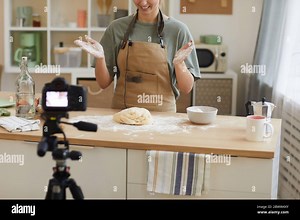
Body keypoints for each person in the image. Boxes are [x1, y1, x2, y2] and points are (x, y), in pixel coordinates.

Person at [75, 0, 200, 112]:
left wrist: (179, 64)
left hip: (163, 116)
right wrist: (100, 59)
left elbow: (186, 87)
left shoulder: (178, 31)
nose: (143, 3)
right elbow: (103, 83)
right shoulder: (116, 28)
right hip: (122, 114)